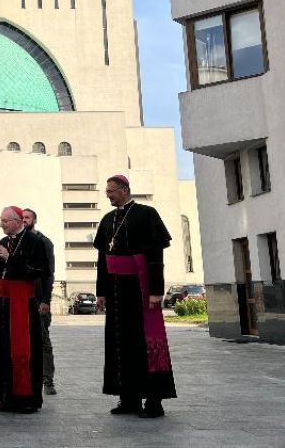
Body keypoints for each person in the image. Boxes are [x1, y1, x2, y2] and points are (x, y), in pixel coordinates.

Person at [94, 174, 177, 417]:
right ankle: (128, 399)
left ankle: (154, 402)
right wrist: (101, 292)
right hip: (116, 292)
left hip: (140, 289)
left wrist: (156, 291)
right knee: (121, 344)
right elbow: (103, 259)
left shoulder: (146, 213)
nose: (108, 195)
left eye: (111, 191)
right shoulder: (107, 219)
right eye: (107, 192)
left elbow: (156, 256)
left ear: (124, 190)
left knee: (146, 343)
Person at [0, 206, 51, 413]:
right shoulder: (3, 241)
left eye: (5, 221)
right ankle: (5, 398)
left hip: (23, 300)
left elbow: (38, 271)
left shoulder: (35, 241)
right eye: (0, 221)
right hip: (3, 301)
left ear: (18, 221)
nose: (1, 225)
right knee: (4, 349)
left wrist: (9, 259)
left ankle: (26, 400)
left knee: (24, 350)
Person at [23, 208, 57, 396]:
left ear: (34, 220)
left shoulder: (44, 242)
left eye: (27, 217)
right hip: (21, 299)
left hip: (39, 300)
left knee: (43, 341)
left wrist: (45, 300)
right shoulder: (17, 242)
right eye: (21, 217)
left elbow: (49, 274)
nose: (24, 220)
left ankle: (47, 381)